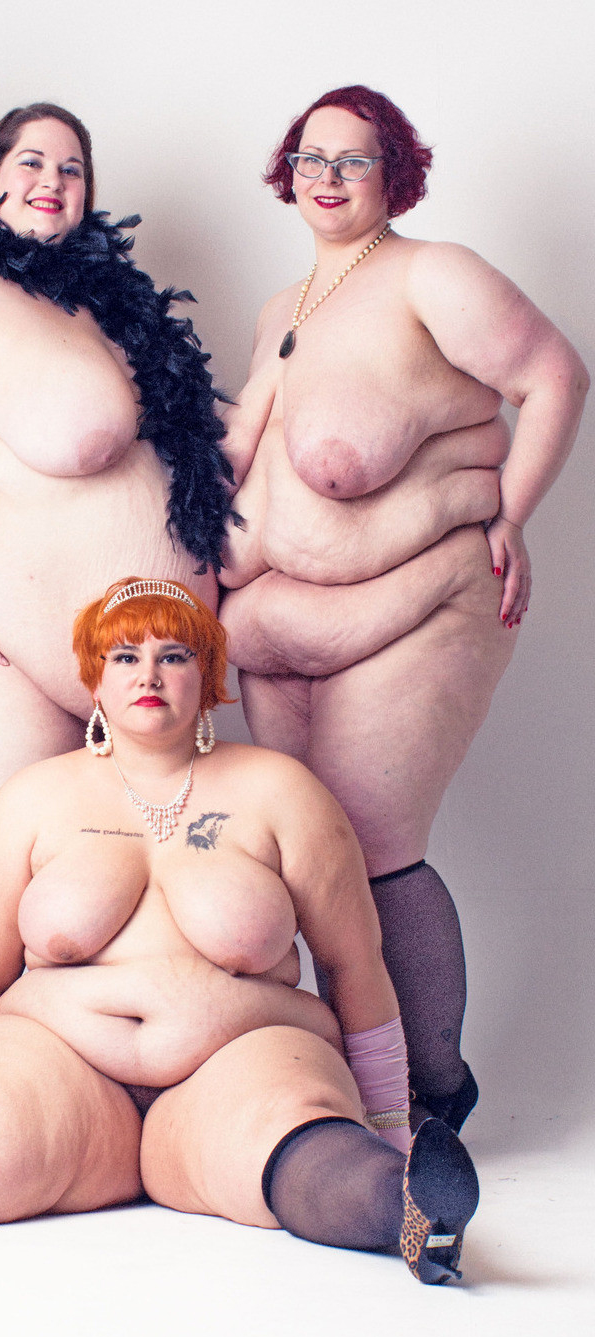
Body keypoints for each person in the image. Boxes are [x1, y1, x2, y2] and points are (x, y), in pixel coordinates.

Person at [0, 579, 479, 1286]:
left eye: (173, 655)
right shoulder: (29, 800)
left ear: (208, 675)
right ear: (94, 679)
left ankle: (410, 1206)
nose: (148, 675)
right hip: (57, 1063)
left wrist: (390, 1126)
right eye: (125, 656)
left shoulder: (284, 793)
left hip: (243, 1057)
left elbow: (354, 963)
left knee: (293, 1133)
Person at [218, 85, 588, 1131]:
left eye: (355, 159)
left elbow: (555, 375)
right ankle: (360, 1085)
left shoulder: (434, 274)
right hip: (278, 629)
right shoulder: (282, 307)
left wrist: (511, 514)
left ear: (396, 174)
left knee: (371, 845)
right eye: (310, 158)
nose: (328, 177)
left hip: (415, 606)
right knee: (306, 858)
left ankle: (433, 1089)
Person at [0, 104, 233, 1034]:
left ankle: (69, 1093)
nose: (52, 182)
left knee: (116, 903)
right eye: (31, 161)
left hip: (145, 673)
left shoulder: (113, 309)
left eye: (72, 169)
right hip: (2, 659)